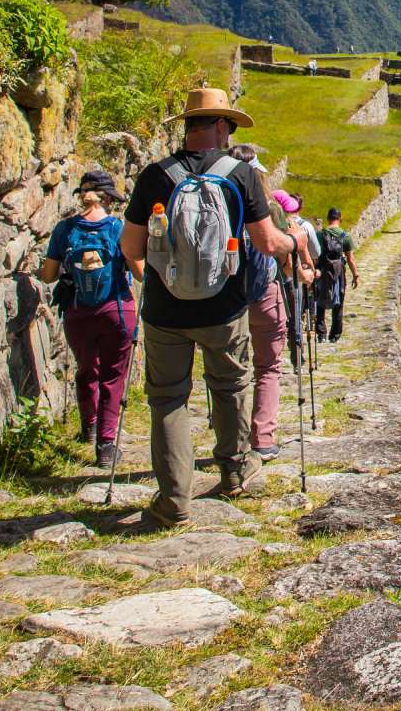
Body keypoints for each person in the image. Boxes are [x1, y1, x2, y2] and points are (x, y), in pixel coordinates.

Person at [120, 87, 300, 527]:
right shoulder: (240, 176)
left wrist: (162, 280)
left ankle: (174, 501)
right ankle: (234, 470)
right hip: (225, 307)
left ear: (187, 126)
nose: (230, 132)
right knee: (231, 385)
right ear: (219, 126)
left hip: (165, 313)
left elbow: (129, 245)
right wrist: (294, 241)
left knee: (167, 400)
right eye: (230, 125)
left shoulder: (155, 175)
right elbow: (266, 242)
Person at [39, 168, 137, 469]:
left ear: (82, 196)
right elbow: (140, 270)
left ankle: (89, 426)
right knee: (113, 376)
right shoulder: (118, 229)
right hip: (116, 309)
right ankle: (106, 446)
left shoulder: (65, 230)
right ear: (109, 199)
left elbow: (48, 275)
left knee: (86, 368)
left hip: (77, 311)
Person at [313, 206, 360, 342]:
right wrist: (356, 275)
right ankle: (334, 336)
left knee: (320, 301)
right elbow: (350, 259)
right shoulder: (345, 237)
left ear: (328, 219)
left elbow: (314, 255)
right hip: (339, 273)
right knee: (339, 303)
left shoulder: (320, 235)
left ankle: (321, 333)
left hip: (322, 271)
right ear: (340, 219)